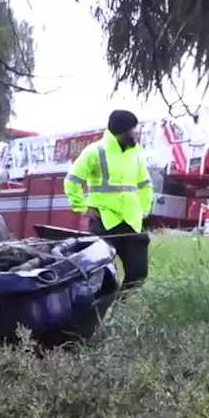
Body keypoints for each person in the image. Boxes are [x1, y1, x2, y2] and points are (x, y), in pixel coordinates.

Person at [63, 109, 153, 289]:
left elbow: (145, 185)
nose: (137, 132)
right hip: (104, 220)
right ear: (124, 130)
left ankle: (120, 308)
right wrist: (81, 208)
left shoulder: (136, 153)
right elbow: (72, 181)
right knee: (103, 275)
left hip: (131, 222)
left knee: (138, 272)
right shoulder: (95, 151)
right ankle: (102, 310)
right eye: (134, 128)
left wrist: (144, 209)